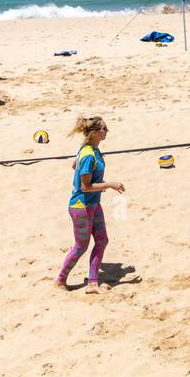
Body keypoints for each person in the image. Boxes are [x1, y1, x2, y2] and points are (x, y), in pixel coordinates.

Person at [55, 116, 124, 294]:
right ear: (94, 133)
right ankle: (60, 280)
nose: (106, 131)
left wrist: (95, 180)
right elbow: (85, 187)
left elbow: (73, 166)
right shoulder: (88, 154)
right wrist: (109, 184)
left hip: (93, 203)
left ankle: (92, 282)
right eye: (103, 129)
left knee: (102, 241)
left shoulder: (91, 149)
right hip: (81, 206)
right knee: (81, 246)